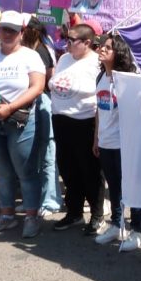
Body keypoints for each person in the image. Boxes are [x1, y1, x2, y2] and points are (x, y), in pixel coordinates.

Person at [0, 11, 46, 239]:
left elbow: (37, 87)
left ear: (21, 33)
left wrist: (10, 107)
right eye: (3, 29)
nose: (6, 34)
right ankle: (7, 215)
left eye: (12, 30)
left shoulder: (31, 56)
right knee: (3, 172)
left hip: (20, 121)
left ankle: (31, 216)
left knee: (26, 171)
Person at [49, 24, 104, 235]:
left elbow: (102, 96)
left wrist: (98, 134)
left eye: (71, 40)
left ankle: (97, 215)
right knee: (68, 169)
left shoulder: (96, 63)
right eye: (66, 39)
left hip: (85, 122)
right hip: (61, 121)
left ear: (87, 42)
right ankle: (74, 212)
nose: (66, 44)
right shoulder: (64, 59)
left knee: (89, 170)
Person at [93, 32, 141, 248]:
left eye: (108, 47)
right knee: (113, 185)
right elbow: (99, 110)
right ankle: (116, 224)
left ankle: (138, 230)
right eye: (101, 46)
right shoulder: (100, 77)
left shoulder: (130, 78)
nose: (102, 49)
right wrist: (96, 138)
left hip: (126, 142)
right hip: (106, 140)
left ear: (118, 53)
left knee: (131, 186)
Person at [23, 18, 61, 217]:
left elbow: (45, 80)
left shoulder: (40, 52)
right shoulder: (32, 50)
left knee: (46, 152)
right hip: (31, 102)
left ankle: (51, 200)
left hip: (42, 101)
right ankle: (35, 198)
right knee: (33, 153)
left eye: (22, 30)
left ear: (32, 31)